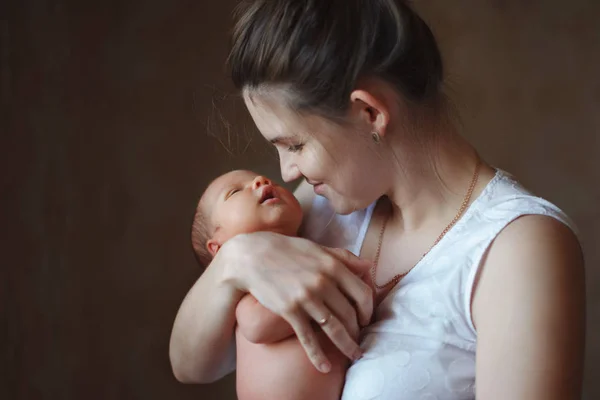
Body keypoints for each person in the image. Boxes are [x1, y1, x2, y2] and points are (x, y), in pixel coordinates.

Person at [169, 1, 586, 399]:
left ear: (369, 113)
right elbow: (190, 366)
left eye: (295, 144)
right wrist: (235, 261)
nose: (286, 172)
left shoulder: (518, 249)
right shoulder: (317, 209)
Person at [191, 169, 356, 400]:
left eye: (265, 179)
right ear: (218, 248)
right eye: (235, 191)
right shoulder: (253, 282)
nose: (261, 180)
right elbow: (256, 325)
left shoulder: (313, 253)